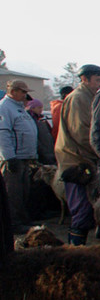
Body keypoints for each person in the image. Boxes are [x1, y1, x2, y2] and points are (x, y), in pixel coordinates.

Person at [56, 63, 100, 245]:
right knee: (82, 211)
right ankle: (75, 252)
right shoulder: (78, 98)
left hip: (85, 160)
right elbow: (82, 133)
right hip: (76, 162)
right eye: (97, 80)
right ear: (84, 79)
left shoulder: (90, 97)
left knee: (88, 211)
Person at [0, 80, 38, 233]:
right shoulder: (4, 108)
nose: (25, 95)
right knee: (13, 192)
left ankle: (21, 219)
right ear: (13, 91)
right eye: (23, 92)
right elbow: (3, 133)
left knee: (22, 192)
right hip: (13, 159)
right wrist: (9, 157)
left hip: (23, 157)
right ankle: (13, 223)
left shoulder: (19, 109)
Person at [27, 99, 56, 165]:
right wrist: (42, 150)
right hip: (41, 152)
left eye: (41, 108)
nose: (41, 110)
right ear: (32, 108)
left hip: (48, 151)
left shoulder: (42, 119)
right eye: (39, 107)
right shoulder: (30, 120)